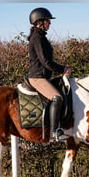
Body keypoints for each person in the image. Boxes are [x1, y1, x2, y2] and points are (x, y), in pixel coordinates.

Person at [27, 7, 72, 142]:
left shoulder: (40, 36)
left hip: (43, 76)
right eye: (48, 21)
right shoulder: (37, 38)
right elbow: (45, 61)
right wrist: (62, 69)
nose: (50, 23)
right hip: (37, 77)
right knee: (57, 97)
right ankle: (54, 132)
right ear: (40, 22)